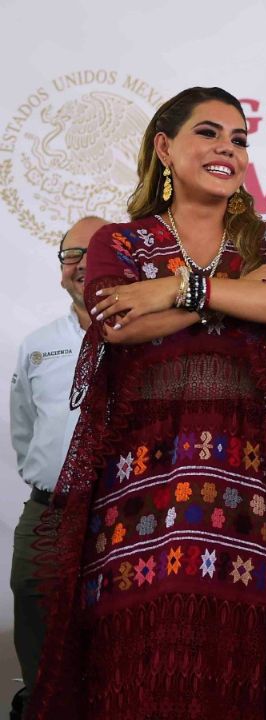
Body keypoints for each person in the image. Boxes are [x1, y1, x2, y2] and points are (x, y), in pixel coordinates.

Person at [26, 86, 266, 720]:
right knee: (133, 665)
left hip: (237, 498)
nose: (228, 150)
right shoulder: (120, 243)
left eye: (239, 140)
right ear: (164, 147)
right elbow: (117, 322)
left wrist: (174, 291)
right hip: (136, 493)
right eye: (209, 134)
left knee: (226, 667)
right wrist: (227, 293)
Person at [9, 216, 105, 688]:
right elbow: (25, 433)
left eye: (99, 252)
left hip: (126, 516)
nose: (83, 265)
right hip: (48, 514)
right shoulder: (38, 345)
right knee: (40, 641)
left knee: (115, 640)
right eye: (72, 255)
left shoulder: (155, 339)